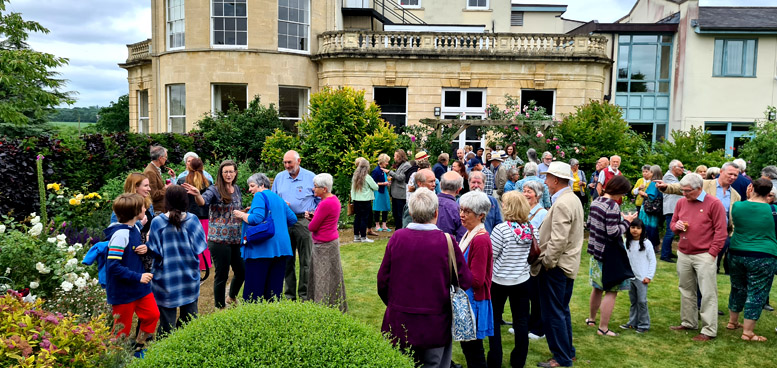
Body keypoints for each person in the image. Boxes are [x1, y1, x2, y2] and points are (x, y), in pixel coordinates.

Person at [377, 187, 472, 368]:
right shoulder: (447, 241)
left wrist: (395, 304)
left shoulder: (398, 238)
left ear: (411, 212)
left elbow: (383, 281)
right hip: (435, 323)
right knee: (433, 364)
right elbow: (464, 280)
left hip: (400, 320)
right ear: (436, 213)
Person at [532, 161, 584, 368]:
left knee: (554, 313)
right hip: (565, 265)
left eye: (547, 178)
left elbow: (558, 240)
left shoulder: (563, 202)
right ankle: (567, 353)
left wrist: (547, 263)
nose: (545, 182)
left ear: (555, 180)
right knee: (561, 310)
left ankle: (561, 358)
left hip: (557, 267)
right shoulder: (571, 199)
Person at [666, 173, 728, 342]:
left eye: (687, 191)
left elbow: (721, 232)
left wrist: (712, 253)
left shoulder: (714, 204)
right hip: (684, 252)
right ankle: (688, 322)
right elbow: (672, 224)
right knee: (686, 290)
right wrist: (676, 227)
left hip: (704, 255)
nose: (684, 194)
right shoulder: (681, 202)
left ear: (699, 188)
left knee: (708, 292)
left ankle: (709, 330)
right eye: (682, 190)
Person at [146, 185, 207, 336]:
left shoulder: (157, 222)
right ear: (185, 201)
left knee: (167, 325)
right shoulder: (192, 220)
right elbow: (200, 246)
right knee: (190, 321)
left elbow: (154, 250)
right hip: (188, 275)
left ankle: (165, 352)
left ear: (167, 201)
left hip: (165, 278)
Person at [659, 162, 741, 273]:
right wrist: (666, 187)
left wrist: (730, 235)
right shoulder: (705, 184)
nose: (732, 177)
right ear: (721, 172)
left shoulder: (736, 195)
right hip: (701, 235)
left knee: (711, 269)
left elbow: (733, 217)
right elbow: (682, 187)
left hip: (720, 235)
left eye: (735, 175)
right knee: (697, 271)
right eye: (730, 174)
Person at [104, 193, 158, 357]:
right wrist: (138, 277)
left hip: (139, 288)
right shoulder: (120, 235)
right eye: (142, 207)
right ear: (135, 212)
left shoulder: (133, 227)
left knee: (152, 315)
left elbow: (136, 231)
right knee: (121, 330)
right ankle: (115, 359)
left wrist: (144, 246)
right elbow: (113, 266)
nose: (145, 208)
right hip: (123, 291)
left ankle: (137, 346)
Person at [232, 174, 297, 303]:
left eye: (252, 186)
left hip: (261, 250)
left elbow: (255, 218)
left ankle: (254, 322)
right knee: (273, 293)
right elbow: (293, 219)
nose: (250, 190)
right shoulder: (278, 198)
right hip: (281, 250)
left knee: (253, 294)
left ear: (262, 185)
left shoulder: (259, 195)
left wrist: (242, 214)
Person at [726, 178, 777, 341]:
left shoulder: (738, 206)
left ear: (750, 188)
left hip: (736, 251)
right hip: (763, 254)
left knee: (737, 287)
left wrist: (749, 196)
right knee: (757, 292)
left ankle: (732, 322)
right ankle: (748, 332)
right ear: (770, 193)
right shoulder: (773, 210)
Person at [586, 175, 637, 337]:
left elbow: (589, 224)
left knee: (597, 288)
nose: (623, 196)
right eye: (623, 193)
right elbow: (613, 232)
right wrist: (627, 221)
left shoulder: (596, 201)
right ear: (618, 191)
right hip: (608, 255)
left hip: (595, 252)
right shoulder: (613, 206)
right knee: (611, 290)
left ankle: (591, 319)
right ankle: (603, 328)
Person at [487, 191, 534, 368]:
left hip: (499, 280)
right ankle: (518, 360)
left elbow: (492, 255)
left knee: (495, 320)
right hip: (522, 280)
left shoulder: (501, 230)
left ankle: (495, 359)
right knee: (521, 322)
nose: (502, 206)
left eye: (504, 204)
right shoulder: (531, 228)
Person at [190, 160, 245, 308]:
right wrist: (197, 194)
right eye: (225, 172)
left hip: (235, 238)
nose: (228, 174)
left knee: (241, 271)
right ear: (221, 174)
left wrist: (245, 212)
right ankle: (219, 306)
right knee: (222, 274)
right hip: (219, 240)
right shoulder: (214, 190)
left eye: (231, 171)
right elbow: (203, 202)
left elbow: (234, 209)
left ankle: (231, 297)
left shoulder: (237, 188)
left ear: (235, 173)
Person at [273, 150, 319, 301]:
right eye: (285, 163)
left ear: (298, 161)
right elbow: (273, 199)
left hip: (303, 222)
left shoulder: (311, 177)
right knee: (287, 260)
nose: (287, 165)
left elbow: (320, 200)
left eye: (289, 162)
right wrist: (280, 205)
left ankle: (305, 295)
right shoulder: (280, 178)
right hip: (284, 222)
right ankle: (289, 296)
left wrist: (314, 214)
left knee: (306, 260)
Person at [457, 190, 495, 368]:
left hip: (473, 303)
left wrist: (454, 273)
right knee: (469, 350)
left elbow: (478, 280)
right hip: (467, 300)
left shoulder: (480, 239)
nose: (462, 215)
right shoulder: (469, 233)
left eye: (467, 212)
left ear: (481, 215)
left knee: (474, 352)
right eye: (461, 210)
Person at [305, 173, 348, 312]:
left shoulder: (325, 203)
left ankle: (321, 308)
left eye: (316, 187)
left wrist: (310, 219)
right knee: (333, 276)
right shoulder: (334, 200)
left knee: (321, 278)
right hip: (331, 242)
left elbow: (312, 227)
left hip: (323, 245)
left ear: (324, 189)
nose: (313, 189)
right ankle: (336, 305)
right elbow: (325, 220)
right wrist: (314, 217)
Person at [620, 218, 656, 333]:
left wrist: (649, 276)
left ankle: (644, 324)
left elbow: (652, 261)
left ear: (642, 230)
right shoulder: (627, 242)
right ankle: (632, 322)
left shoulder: (646, 243)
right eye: (633, 227)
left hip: (642, 278)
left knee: (642, 301)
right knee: (633, 301)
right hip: (631, 277)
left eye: (638, 228)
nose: (635, 230)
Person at [522, 180, 548, 340]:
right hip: (523, 259)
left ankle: (539, 329)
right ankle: (528, 325)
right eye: (524, 191)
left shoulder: (542, 213)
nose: (526, 194)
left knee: (537, 295)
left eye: (529, 191)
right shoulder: (524, 211)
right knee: (527, 294)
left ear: (537, 196)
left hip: (535, 259)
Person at [178, 158, 213, 272]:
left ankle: (190, 265)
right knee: (203, 241)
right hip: (204, 216)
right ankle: (204, 264)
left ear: (188, 167)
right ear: (202, 167)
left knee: (188, 241)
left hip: (187, 215)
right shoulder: (208, 182)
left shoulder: (182, 181)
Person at [658, 159, 684, 263]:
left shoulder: (674, 178)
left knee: (672, 231)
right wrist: (689, 178)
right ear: (674, 168)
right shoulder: (669, 176)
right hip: (671, 208)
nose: (683, 169)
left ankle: (668, 252)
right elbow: (680, 188)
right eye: (681, 167)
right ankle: (664, 255)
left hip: (674, 208)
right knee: (671, 231)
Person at [351, 157, 379, 243]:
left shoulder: (355, 177)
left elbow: (352, 189)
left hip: (356, 200)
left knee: (357, 217)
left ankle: (356, 236)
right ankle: (363, 237)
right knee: (364, 218)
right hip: (365, 200)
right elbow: (375, 187)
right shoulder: (367, 177)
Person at [637, 165, 663, 249]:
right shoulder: (661, 182)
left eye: (651, 172)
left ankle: (648, 246)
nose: (648, 174)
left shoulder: (653, 183)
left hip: (649, 209)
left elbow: (651, 196)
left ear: (654, 173)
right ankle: (655, 246)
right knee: (654, 227)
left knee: (647, 227)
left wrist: (642, 193)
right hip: (656, 209)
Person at [143, 145, 175, 215]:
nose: (166, 159)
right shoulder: (150, 172)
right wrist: (166, 188)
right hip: (157, 211)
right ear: (160, 158)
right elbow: (153, 195)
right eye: (165, 157)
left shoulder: (154, 169)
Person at [437, 172, 466, 241]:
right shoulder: (458, 210)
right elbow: (462, 238)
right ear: (459, 190)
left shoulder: (428, 203)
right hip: (447, 249)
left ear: (440, 185)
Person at [388, 149, 412, 230]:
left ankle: (401, 230)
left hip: (401, 194)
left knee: (400, 214)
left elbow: (401, 177)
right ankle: (397, 229)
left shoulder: (406, 165)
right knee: (395, 213)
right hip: (395, 193)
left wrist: (390, 172)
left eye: (395, 156)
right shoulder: (399, 165)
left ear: (400, 157)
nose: (394, 158)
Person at [372, 154, 392, 232]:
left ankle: (384, 225)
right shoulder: (376, 170)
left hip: (384, 191)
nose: (387, 163)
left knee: (385, 207)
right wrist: (384, 183)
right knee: (377, 208)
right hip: (378, 192)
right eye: (386, 162)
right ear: (383, 161)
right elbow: (374, 183)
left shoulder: (384, 170)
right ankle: (377, 225)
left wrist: (388, 182)